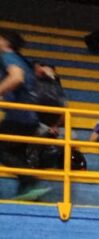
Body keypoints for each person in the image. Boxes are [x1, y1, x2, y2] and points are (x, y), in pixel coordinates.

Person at [0, 29, 47, 201]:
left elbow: (16, 78)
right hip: (29, 118)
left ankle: (30, 181)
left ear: (6, 42)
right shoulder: (22, 60)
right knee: (17, 155)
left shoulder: (8, 57)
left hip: (19, 117)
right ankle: (28, 192)